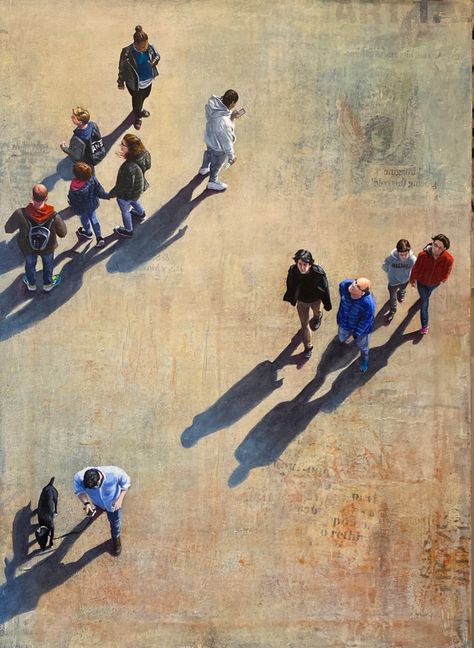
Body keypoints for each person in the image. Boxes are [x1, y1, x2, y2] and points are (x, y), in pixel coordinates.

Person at [4, 184, 66, 292]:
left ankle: (31, 284)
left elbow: (8, 229)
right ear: (46, 198)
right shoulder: (54, 216)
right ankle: (48, 284)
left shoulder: (20, 213)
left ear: (32, 198)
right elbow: (63, 233)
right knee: (48, 264)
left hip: (28, 247)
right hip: (48, 247)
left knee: (30, 264)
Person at [283, 249, 332, 359]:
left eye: (305, 264)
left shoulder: (319, 273)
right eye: (299, 264)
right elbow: (290, 284)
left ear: (310, 264)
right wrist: (292, 298)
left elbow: (325, 289)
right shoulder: (293, 270)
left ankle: (318, 316)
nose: (302, 267)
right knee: (304, 325)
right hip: (302, 302)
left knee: (317, 312)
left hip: (315, 300)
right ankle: (308, 346)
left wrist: (327, 304)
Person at [73, 466, 131, 556]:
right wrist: (87, 503)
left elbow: (126, 483)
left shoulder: (115, 473)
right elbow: (79, 491)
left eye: (94, 488)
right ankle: (99, 510)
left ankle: (116, 539)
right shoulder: (78, 478)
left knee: (115, 523)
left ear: (99, 480)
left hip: (112, 505)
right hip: (97, 503)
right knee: (98, 510)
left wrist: (120, 500)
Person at [118, 25, 160, 131]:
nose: (145, 47)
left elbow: (157, 56)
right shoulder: (127, 52)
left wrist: (153, 62)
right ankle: (138, 117)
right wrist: (120, 82)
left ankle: (139, 108)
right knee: (136, 101)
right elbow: (122, 67)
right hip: (134, 83)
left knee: (145, 95)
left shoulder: (150, 47)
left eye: (146, 44)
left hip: (148, 80)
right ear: (135, 44)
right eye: (142, 46)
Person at [409, 234, 453, 334]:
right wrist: (412, 280)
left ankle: (423, 297)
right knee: (425, 304)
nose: (436, 249)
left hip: (434, 283)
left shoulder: (448, 259)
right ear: (432, 243)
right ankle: (424, 326)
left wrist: (443, 279)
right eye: (435, 245)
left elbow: (448, 270)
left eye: (440, 247)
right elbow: (415, 269)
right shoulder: (422, 255)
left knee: (427, 295)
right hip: (421, 282)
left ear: (444, 249)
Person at [109, 134, 151, 238]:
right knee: (135, 200)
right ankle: (141, 214)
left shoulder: (127, 167)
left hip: (126, 194)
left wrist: (111, 194)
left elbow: (121, 186)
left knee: (125, 210)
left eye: (123, 145)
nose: (121, 147)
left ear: (131, 148)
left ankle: (128, 230)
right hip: (139, 187)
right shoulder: (144, 153)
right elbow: (148, 165)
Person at [199, 89, 242, 191]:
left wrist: (231, 116)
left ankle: (204, 169)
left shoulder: (213, 106)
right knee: (216, 164)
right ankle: (212, 182)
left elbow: (221, 118)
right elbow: (227, 141)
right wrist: (232, 156)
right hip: (218, 147)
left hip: (209, 138)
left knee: (208, 153)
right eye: (235, 103)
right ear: (232, 103)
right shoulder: (225, 123)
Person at [336, 277, 375, 372]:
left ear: (362, 293)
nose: (353, 285)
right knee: (342, 338)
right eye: (355, 281)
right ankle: (342, 343)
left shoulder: (368, 304)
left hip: (361, 332)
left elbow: (365, 322)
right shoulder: (344, 287)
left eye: (358, 286)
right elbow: (344, 283)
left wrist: (354, 335)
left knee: (363, 347)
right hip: (343, 324)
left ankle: (364, 359)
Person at [67, 162, 109, 248]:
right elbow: (99, 191)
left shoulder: (74, 186)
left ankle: (88, 232)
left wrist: (73, 207)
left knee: (84, 220)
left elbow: (72, 198)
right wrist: (107, 196)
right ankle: (99, 237)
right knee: (94, 218)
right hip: (92, 204)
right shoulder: (93, 179)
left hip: (81, 208)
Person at [382, 239, 417, 322]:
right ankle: (392, 311)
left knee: (402, 288)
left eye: (406, 254)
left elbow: (415, 270)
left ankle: (402, 293)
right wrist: (391, 274)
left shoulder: (412, 259)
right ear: (397, 252)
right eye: (401, 254)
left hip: (405, 280)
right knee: (392, 298)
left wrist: (413, 280)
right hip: (393, 282)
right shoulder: (391, 258)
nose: (404, 257)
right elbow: (384, 266)